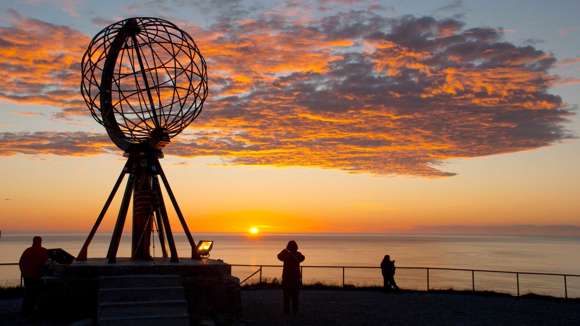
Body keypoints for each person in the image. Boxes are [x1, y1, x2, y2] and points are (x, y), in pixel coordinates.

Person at [19, 236, 48, 316]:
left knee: (29, 294)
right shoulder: (43, 251)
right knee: (36, 293)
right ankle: (33, 310)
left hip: (29, 276)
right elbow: (47, 263)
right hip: (36, 276)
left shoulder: (28, 251)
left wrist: (23, 272)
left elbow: (21, 262)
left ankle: (27, 310)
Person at [277, 240, 305, 315]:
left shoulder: (290, 254)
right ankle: (294, 312)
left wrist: (285, 252)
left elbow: (279, 256)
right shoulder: (296, 254)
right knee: (294, 296)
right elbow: (302, 258)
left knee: (287, 296)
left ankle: (287, 312)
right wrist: (285, 252)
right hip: (294, 278)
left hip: (288, 278)